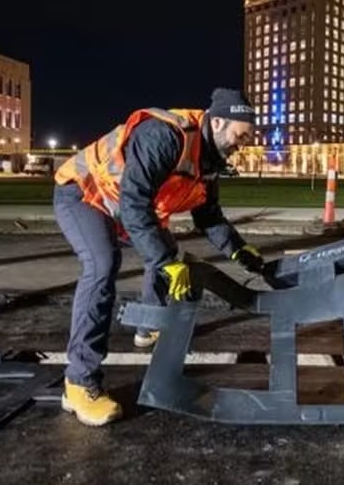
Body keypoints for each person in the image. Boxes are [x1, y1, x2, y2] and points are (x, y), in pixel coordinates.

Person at [52, 88, 265, 426]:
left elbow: (208, 215)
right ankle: (78, 383)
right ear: (219, 121)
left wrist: (239, 249)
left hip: (125, 205)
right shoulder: (166, 135)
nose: (243, 145)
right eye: (242, 136)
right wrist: (166, 262)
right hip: (84, 193)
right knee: (103, 265)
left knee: (165, 252)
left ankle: (148, 327)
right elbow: (134, 205)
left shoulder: (209, 159)